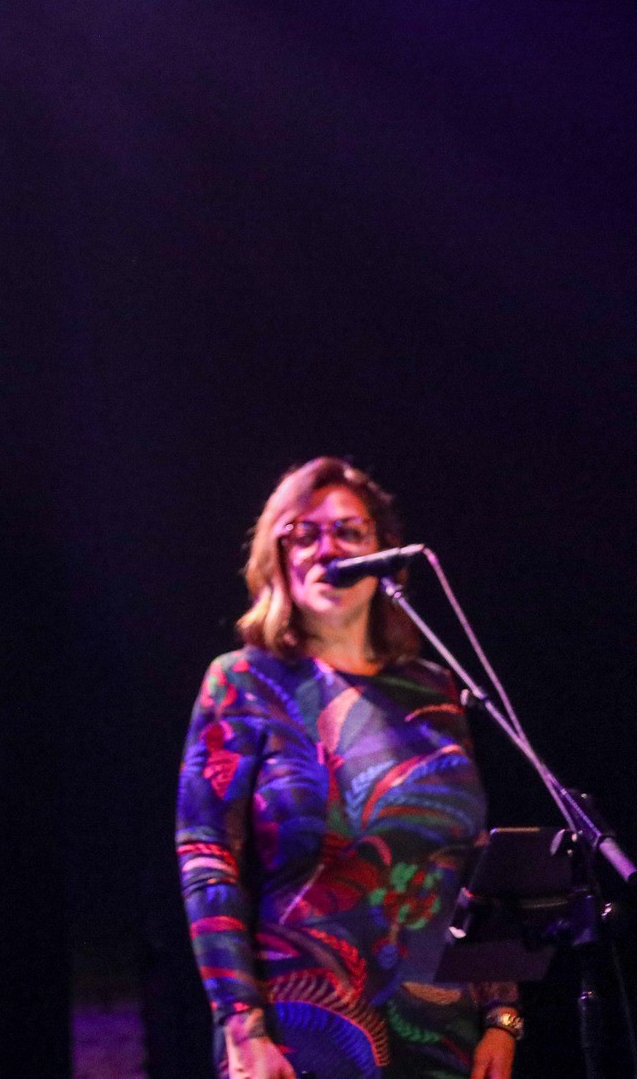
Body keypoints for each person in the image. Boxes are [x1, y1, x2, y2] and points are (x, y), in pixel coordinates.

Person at [176, 458, 521, 1079]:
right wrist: (242, 1028)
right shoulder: (243, 682)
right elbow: (207, 862)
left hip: (443, 1035)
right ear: (275, 556)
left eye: (348, 532)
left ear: (384, 554)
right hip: (301, 1031)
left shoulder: (434, 689)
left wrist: (502, 1016)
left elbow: (469, 863)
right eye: (303, 534)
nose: (326, 549)